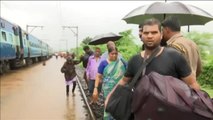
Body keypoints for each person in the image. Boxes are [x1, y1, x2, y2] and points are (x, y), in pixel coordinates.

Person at [105, 18, 200, 115]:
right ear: (141, 35)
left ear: (161, 35)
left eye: (154, 32)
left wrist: (197, 107)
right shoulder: (134, 60)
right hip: (141, 113)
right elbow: (124, 81)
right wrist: (110, 96)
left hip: (168, 114)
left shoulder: (175, 57)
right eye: (146, 33)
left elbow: (192, 84)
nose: (150, 36)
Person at [93, 47, 127, 120]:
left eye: (116, 54)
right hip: (107, 89)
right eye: (112, 54)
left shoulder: (122, 62)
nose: (114, 55)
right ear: (108, 54)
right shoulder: (103, 63)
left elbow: (129, 73)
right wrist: (95, 88)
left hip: (120, 88)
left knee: (119, 105)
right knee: (108, 104)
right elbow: (98, 76)